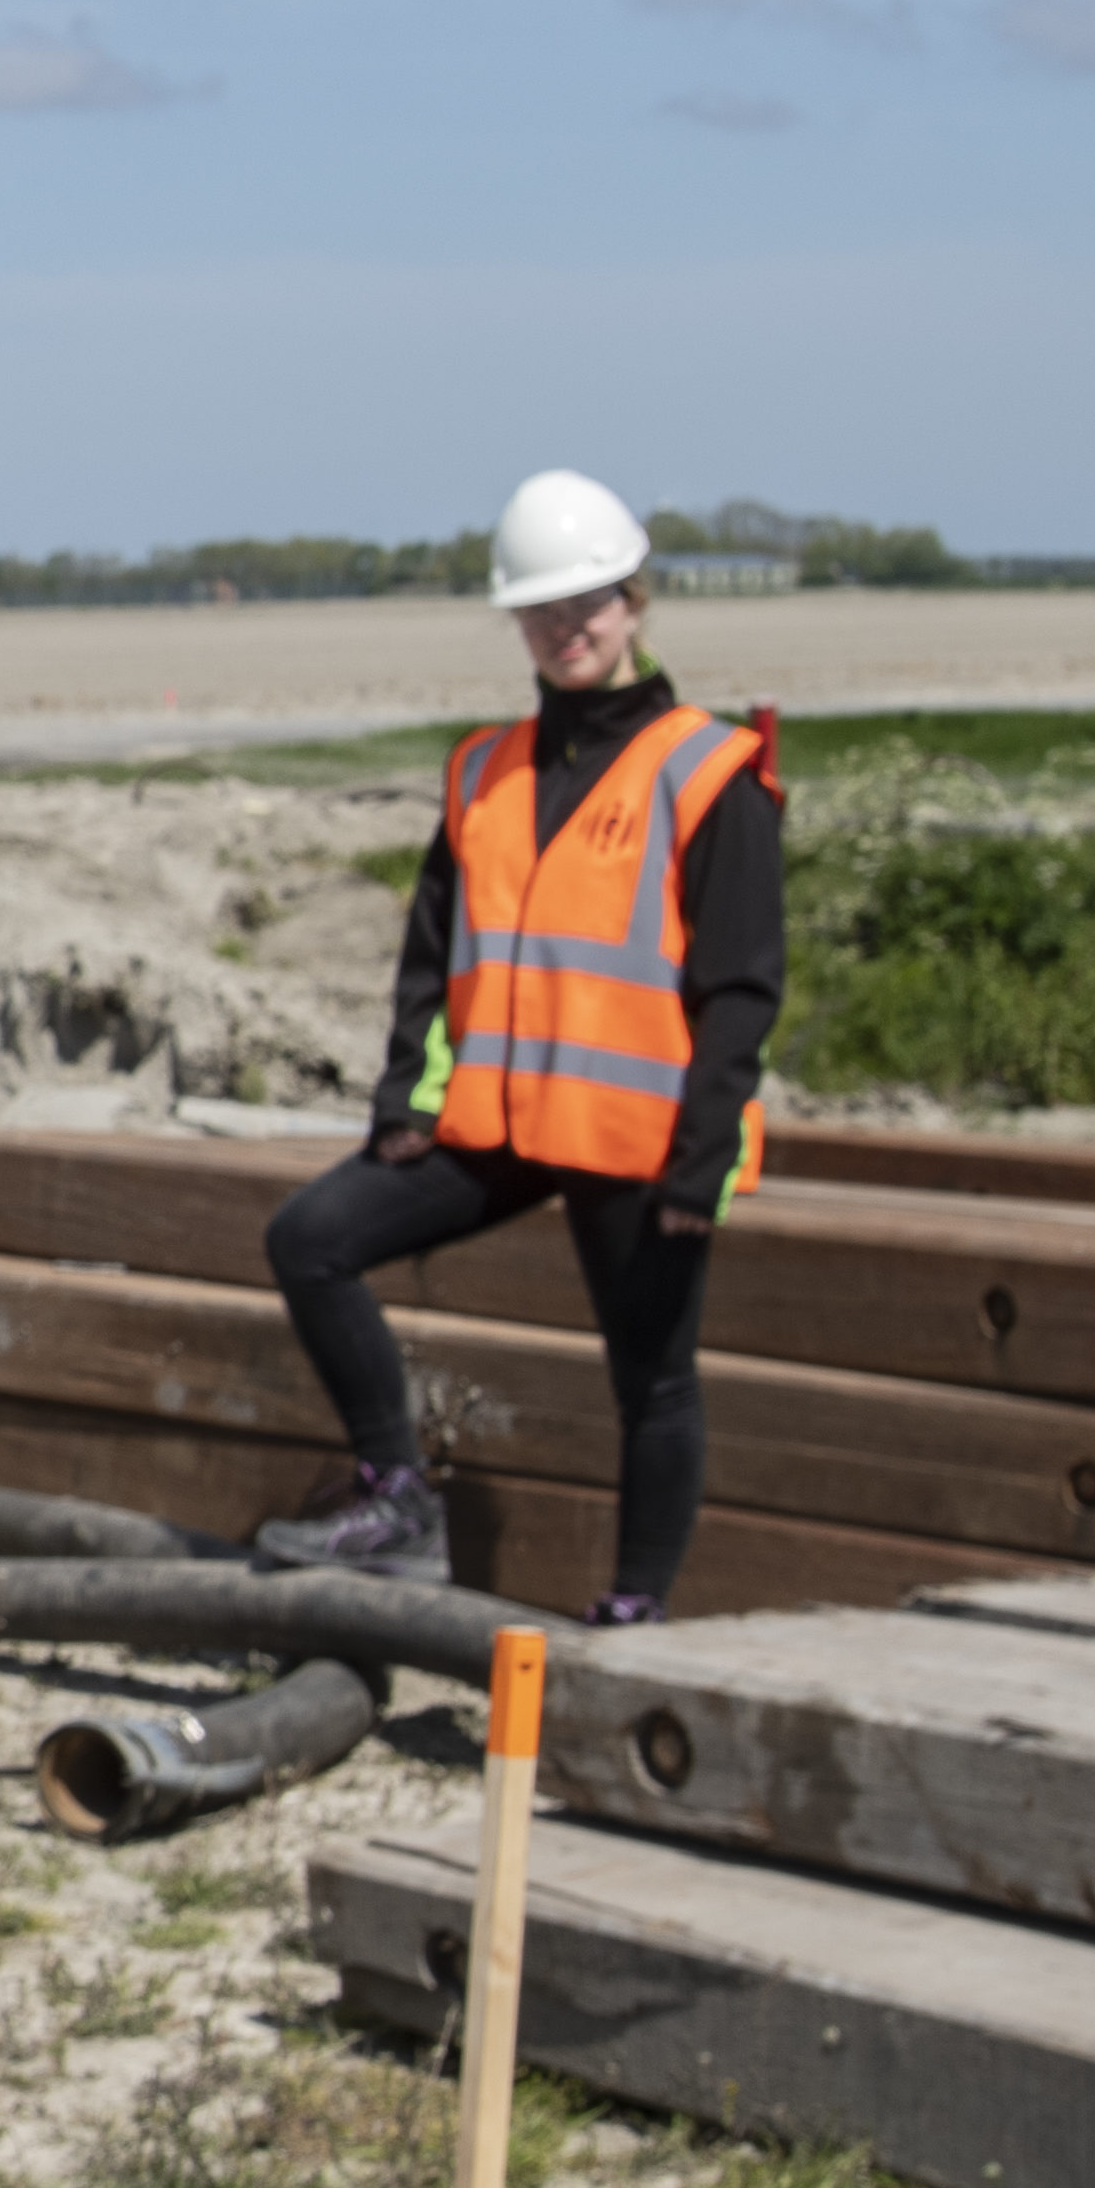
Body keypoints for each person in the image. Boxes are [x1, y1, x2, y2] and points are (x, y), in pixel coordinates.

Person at [251, 469, 784, 1623]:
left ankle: (632, 1613)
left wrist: (700, 1160)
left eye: (586, 600)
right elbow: (428, 957)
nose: (564, 626)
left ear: (632, 601)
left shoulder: (708, 772)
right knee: (309, 1240)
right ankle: (396, 1496)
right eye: (539, 607)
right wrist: (405, 1098)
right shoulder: (480, 773)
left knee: (650, 1380)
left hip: (635, 1139)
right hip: (494, 1124)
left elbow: (741, 988)